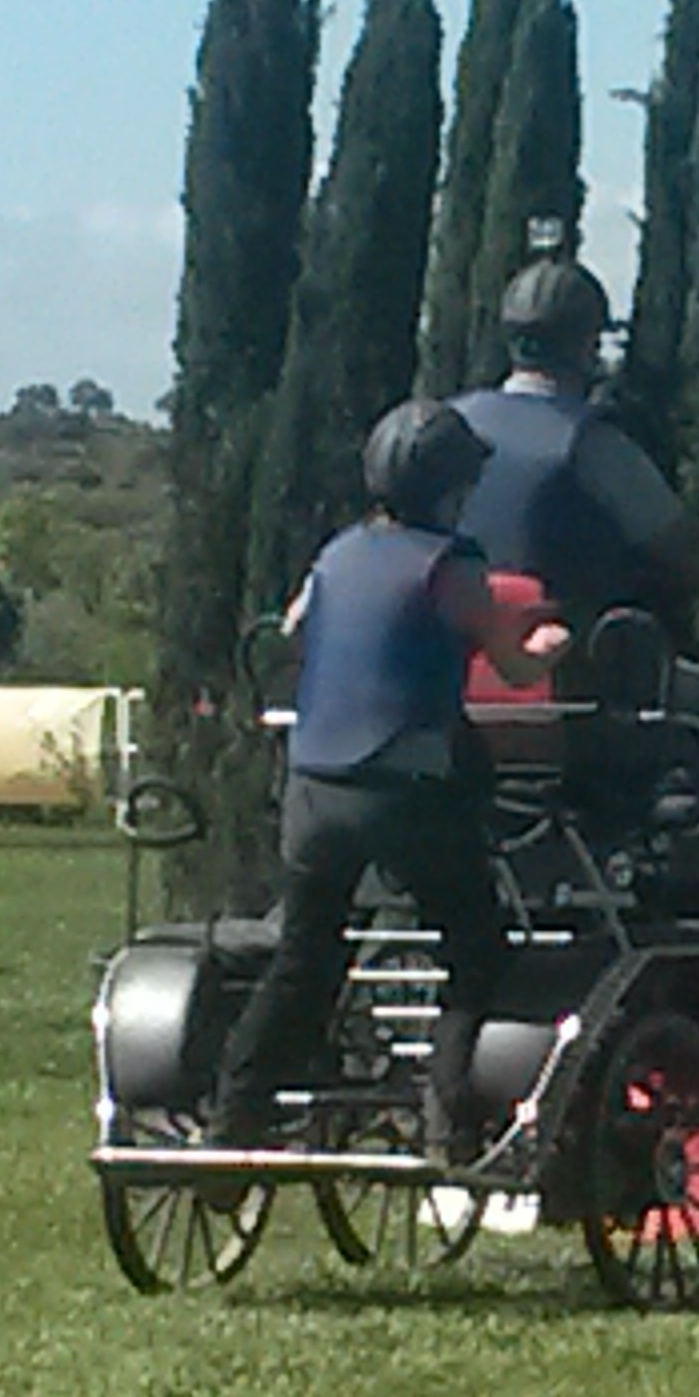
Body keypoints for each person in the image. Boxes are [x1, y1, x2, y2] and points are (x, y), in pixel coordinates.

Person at [207, 399, 570, 1159]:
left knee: (304, 956)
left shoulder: (338, 553)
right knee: (477, 947)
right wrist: (550, 642)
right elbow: (511, 664)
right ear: (454, 488)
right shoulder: (452, 562)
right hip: (402, 791)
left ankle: (233, 1116)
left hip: (313, 787)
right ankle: (447, 1117)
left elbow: (296, 627)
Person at [449, 258, 699, 641]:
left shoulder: (451, 421)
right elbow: (692, 555)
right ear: (585, 344)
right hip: (562, 675)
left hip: (450, 670)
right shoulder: (592, 444)